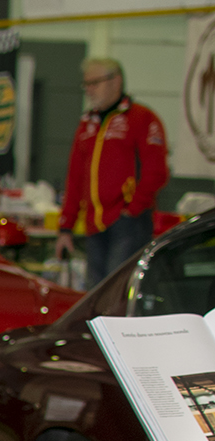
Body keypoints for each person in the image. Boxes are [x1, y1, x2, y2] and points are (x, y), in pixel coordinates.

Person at [54, 57, 169, 289]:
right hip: (93, 224)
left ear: (115, 81)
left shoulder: (142, 119)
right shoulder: (87, 124)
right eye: (86, 84)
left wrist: (133, 208)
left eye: (94, 83)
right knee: (95, 293)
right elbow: (75, 177)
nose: (89, 90)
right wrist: (65, 227)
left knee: (117, 292)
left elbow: (156, 171)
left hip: (127, 222)